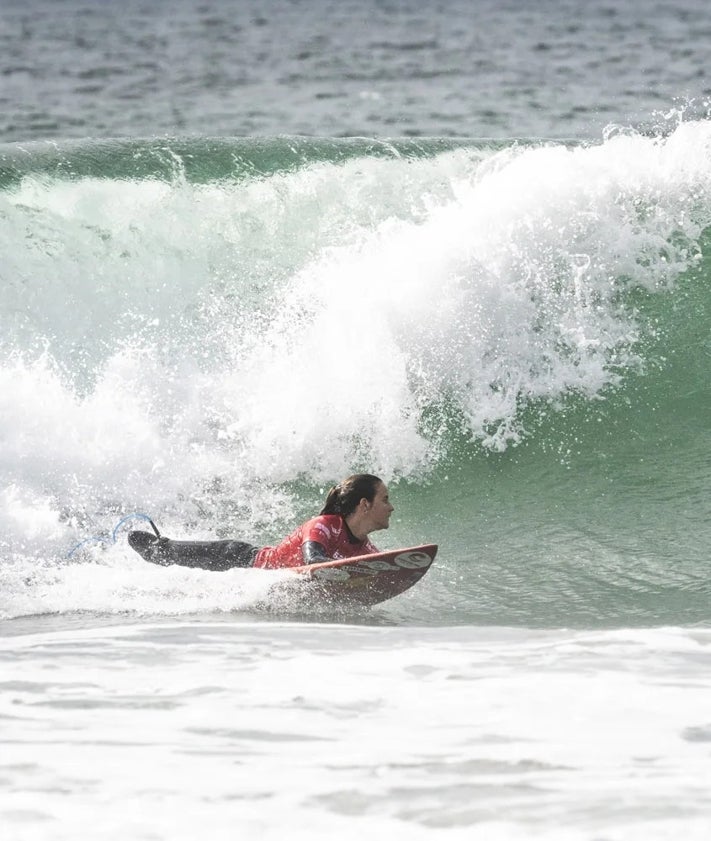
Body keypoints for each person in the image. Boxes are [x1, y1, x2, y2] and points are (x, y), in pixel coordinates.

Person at [128, 474, 394, 571]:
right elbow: (313, 558)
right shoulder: (323, 525)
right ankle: (155, 547)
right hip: (238, 560)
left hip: (251, 569)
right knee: (165, 554)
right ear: (364, 504)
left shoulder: (364, 547)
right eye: (385, 499)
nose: (391, 507)